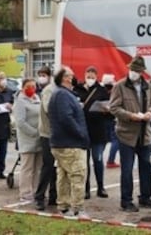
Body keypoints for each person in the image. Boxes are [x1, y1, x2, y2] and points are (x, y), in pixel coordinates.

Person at [109, 55, 151, 213]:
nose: (133, 73)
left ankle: (145, 197)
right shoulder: (120, 86)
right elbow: (114, 108)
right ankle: (126, 201)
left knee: (146, 166)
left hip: (144, 133)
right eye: (132, 69)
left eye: (136, 70)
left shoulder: (148, 86)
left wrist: (150, 112)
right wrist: (131, 115)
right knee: (127, 169)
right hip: (126, 134)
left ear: (142, 72)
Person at [49, 66, 90, 218]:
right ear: (65, 78)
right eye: (71, 75)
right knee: (77, 175)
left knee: (64, 175)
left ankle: (64, 206)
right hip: (70, 143)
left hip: (61, 143)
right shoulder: (63, 95)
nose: (74, 78)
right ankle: (78, 208)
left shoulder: (60, 94)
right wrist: (81, 134)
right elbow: (66, 118)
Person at [81, 66, 110, 199]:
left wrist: (106, 110)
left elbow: (111, 112)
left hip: (98, 130)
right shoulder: (79, 89)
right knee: (84, 162)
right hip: (82, 130)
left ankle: (101, 187)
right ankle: (86, 188)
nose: (90, 79)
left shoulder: (102, 90)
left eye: (92, 77)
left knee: (97, 160)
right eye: (88, 76)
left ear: (97, 77)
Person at [34, 66, 59, 211]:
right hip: (47, 134)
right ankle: (40, 197)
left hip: (56, 134)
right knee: (48, 166)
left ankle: (53, 196)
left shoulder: (58, 90)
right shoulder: (49, 90)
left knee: (55, 167)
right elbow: (50, 110)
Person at [15, 78, 42, 202]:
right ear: (23, 87)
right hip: (27, 140)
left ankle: (37, 190)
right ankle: (25, 193)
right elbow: (20, 122)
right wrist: (34, 132)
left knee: (37, 168)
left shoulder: (37, 99)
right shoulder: (20, 101)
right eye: (29, 86)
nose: (32, 88)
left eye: (34, 86)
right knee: (27, 168)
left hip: (39, 139)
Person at [101, 73, 120, 169]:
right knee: (116, 140)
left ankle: (100, 158)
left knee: (103, 140)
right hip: (112, 119)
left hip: (103, 120)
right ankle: (110, 160)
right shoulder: (113, 92)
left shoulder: (100, 91)